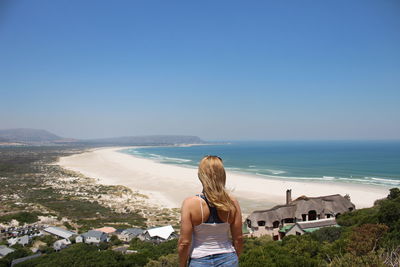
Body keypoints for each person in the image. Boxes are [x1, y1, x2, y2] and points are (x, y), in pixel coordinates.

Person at [178, 155, 243, 267]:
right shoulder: (232, 202)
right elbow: (238, 238)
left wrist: (182, 265)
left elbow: (184, 242)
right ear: (222, 175)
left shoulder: (190, 203)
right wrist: (235, 258)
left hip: (199, 260)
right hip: (228, 258)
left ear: (201, 176)